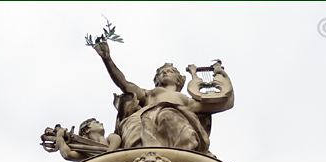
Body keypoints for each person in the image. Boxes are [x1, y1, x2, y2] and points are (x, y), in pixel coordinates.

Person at [93, 41, 233, 154]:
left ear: (179, 80)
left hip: (174, 124)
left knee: (168, 114)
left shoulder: (186, 101)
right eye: (162, 72)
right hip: (143, 123)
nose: (165, 73)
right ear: (157, 79)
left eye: (170, 71)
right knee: (141, 122)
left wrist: (222, 76)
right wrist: (107, 60)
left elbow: (226, 103)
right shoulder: (150, 93)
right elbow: (124, 84)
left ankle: (178, 157)